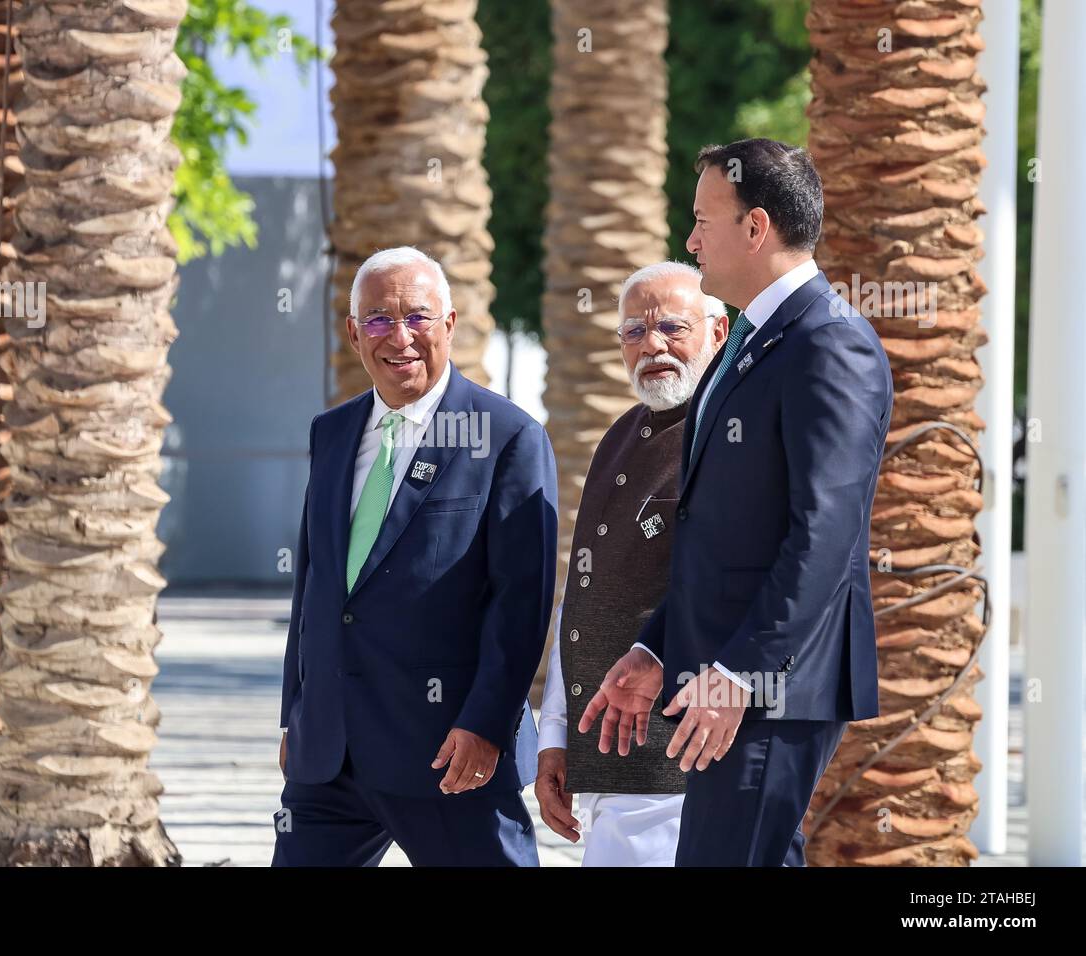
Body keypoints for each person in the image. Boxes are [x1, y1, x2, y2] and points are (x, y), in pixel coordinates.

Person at [580, 138, 893, 866]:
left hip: (770, 689)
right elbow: (722, 535)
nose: (689, 240)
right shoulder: (749, 340)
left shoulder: (829, 343)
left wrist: (739, 675)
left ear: (756, 228)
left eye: (702, 220)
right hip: (727, 676)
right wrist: (658, 647)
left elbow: (823, 536)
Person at [273, 246, 557, 866]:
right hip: (329, 757)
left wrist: (486, 725)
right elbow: (314, 587)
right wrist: (296, 712)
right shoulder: (332, 433)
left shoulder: (506, 436)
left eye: (418, 317)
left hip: (449, 755)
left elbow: (521, 606)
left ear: (450, 324)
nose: (398, 337)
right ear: (353, 334)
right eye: (377, 319)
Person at [536, 262, 726, 866]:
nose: (653, 346)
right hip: (605, 764)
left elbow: (733, 586)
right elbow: (583, 596)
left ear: (718, 332)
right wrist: (556, 738)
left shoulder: (729, 437)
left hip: (675, 764)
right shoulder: (619, 435)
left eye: (673, 327)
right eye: (634, 332)